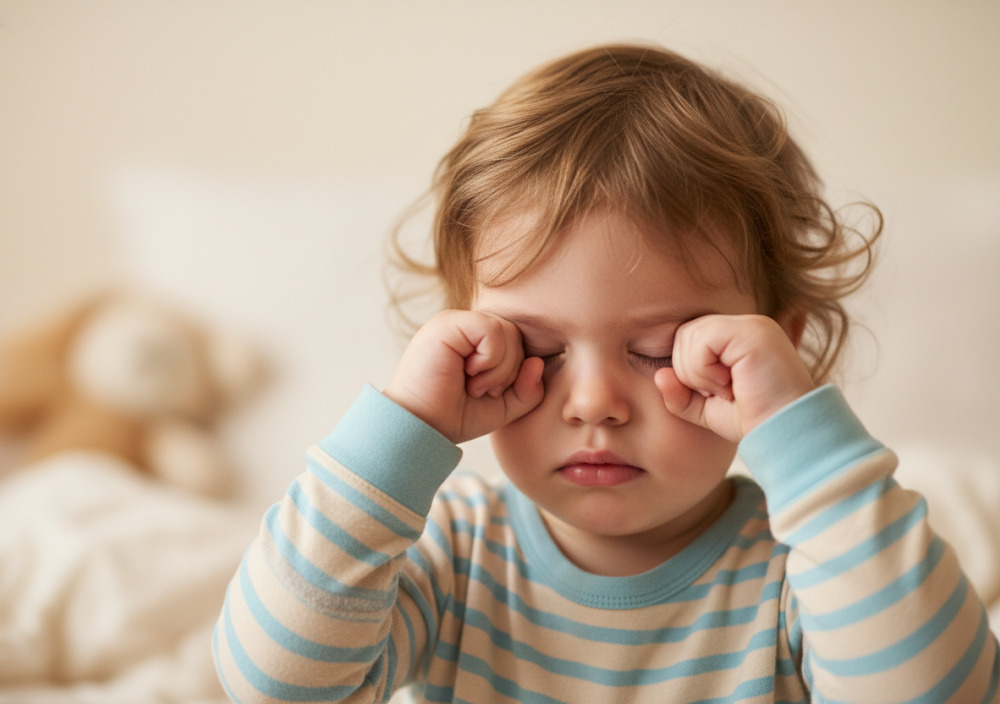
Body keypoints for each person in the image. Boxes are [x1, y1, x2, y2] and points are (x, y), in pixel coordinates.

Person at [212, 44, 999, 703]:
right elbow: (270, 685)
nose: (593, 404)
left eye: (661, 349)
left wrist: (809, 447)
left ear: (775, 350)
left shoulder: (811, 570)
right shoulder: (455, 554)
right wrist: (404, 426)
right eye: (535, 348)